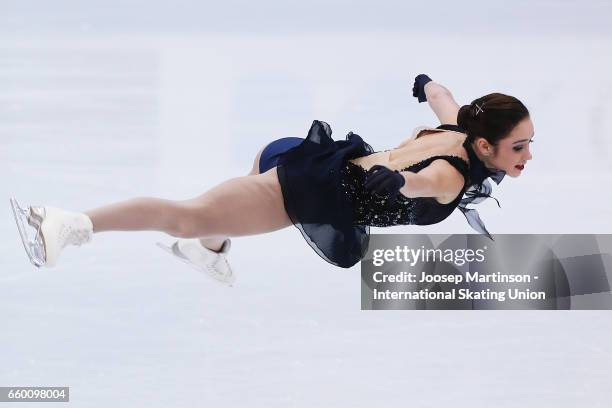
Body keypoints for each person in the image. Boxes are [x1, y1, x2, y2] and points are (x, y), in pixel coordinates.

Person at [10, 74, 534, 278]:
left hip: (309, 160)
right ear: (485, 144)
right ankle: (62, 225)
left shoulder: (457, 127)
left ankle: (207, 251)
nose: (527, 156)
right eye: (520, 145)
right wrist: (402, 184)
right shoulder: (451, 175)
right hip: (304, 190)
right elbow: (427, 183)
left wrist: (430, 84)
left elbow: (446, 99)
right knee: (186, 217)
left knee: (208, 222)